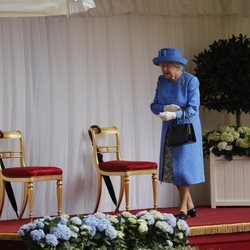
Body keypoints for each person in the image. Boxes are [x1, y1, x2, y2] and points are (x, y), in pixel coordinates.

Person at [150, 48, 205, 220]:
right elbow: (154, 105)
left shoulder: (191, 81)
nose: (164, 69)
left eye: (167, 65)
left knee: (183, 168)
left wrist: (176, 114)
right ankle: (190, 205)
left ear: (178, 66)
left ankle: (182, 208)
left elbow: (193, 109)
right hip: (169, 129)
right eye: (162, 65)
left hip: (187, 129)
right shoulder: (161, 80)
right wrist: (165, 109)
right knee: (173, 167)